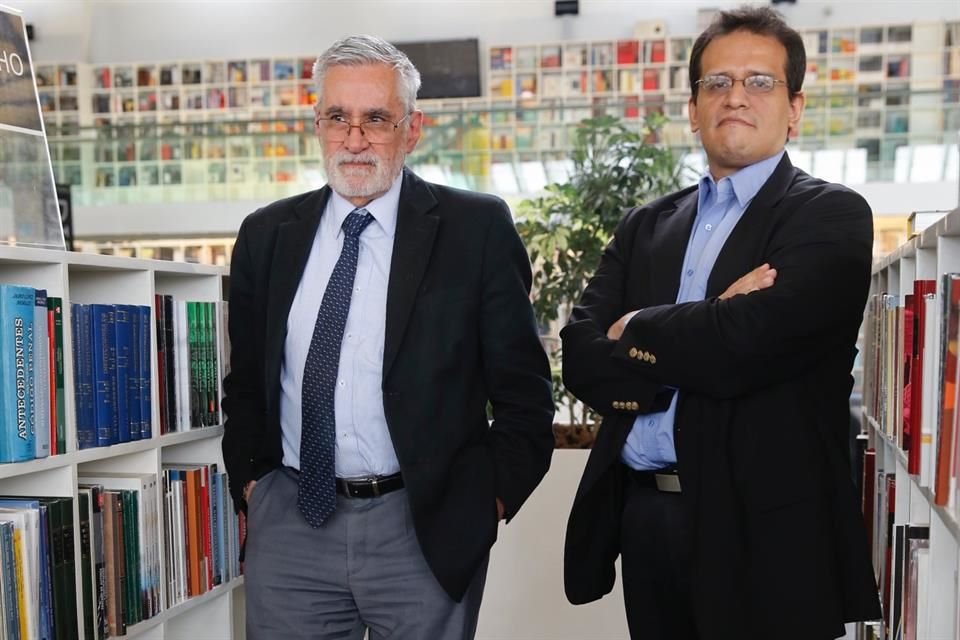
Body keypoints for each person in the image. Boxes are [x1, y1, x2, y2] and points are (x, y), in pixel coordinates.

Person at [561, 7, 882, 640]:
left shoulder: (830, 216)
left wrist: (636, 330)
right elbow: (578, 354)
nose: (736, 96)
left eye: (760, 82)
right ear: (692, 106)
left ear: (795, 108)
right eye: (718, 82)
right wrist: (708, 322)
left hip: (766, 534)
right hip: (648, 519)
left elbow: (748, 346)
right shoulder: (645, 226)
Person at [221, 34, 554, 640]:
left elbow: (523, 391)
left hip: (423, 528)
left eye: (376, 118)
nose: (355, 138)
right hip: (293, 523)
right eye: (337, 118)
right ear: (316, 123)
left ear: (412, 128)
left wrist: (488, 505)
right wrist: (255, 486)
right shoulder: (267, 235)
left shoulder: (474, 229)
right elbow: (246, 382)